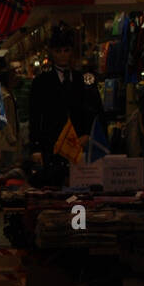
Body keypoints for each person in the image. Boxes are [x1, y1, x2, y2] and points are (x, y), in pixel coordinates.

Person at [29, 24, 104, 181]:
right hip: (52, 142)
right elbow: (35, 116)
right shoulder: (41, 82)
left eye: (66, 51)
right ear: (52, 53)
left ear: (71, 52)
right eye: (58, 51)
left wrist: (87, 134)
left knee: (80, 188)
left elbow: (94, 110)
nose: (62, 55)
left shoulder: (82, 79)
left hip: (79, 142)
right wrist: (35, 147)